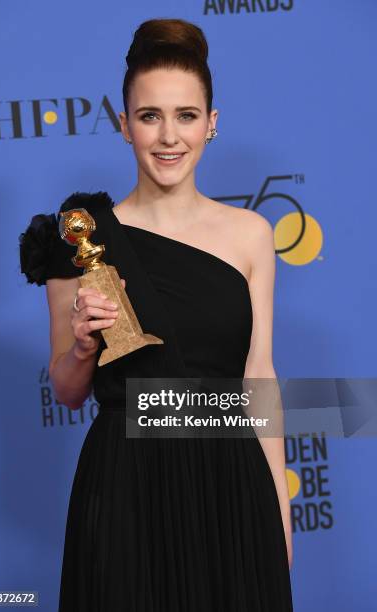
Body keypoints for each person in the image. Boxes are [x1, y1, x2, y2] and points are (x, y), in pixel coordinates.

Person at [19, 17, 293, 611]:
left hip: (230, 482)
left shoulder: (251, 235)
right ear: (124, 125)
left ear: (211, 124)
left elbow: (258, 379)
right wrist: (85, 347)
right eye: (150, 116)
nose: (169, 137)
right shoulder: (83, 233)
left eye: (186, 115)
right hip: (126, 485)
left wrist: (280, 518)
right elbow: (66, 390)